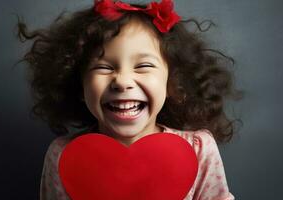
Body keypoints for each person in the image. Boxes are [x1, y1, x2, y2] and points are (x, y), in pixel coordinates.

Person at [16, 0, 242, 199]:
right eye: (103, 67)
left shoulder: (199, 148)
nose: (122, 81)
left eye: (143, 66)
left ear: (174, 84)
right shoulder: (62, 155)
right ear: (78, 86)